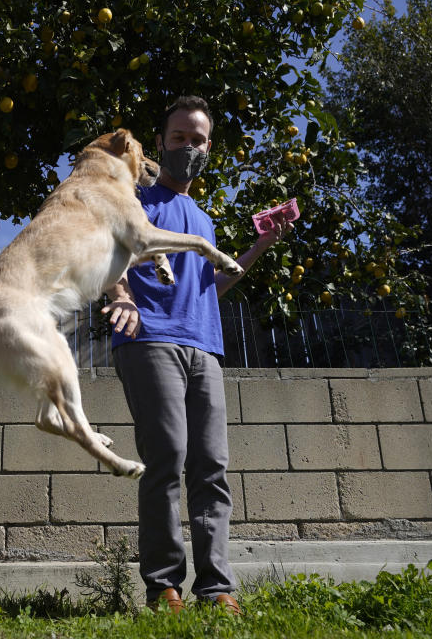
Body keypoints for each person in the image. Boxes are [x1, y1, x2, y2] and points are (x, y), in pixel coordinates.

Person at [102, 95, 290, 614]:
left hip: (205, 347)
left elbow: (209, 285)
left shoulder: (202, 221)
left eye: (198, 140)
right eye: (179, 137)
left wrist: (259, 246)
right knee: (167, 460)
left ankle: (216, 589)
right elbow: (106, 253)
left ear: (209, 148)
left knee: (212, 467)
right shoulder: (135, 200)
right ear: (160, 142)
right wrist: (122, 297)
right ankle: (164, 586)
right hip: (149, 341)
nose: (188, 147)